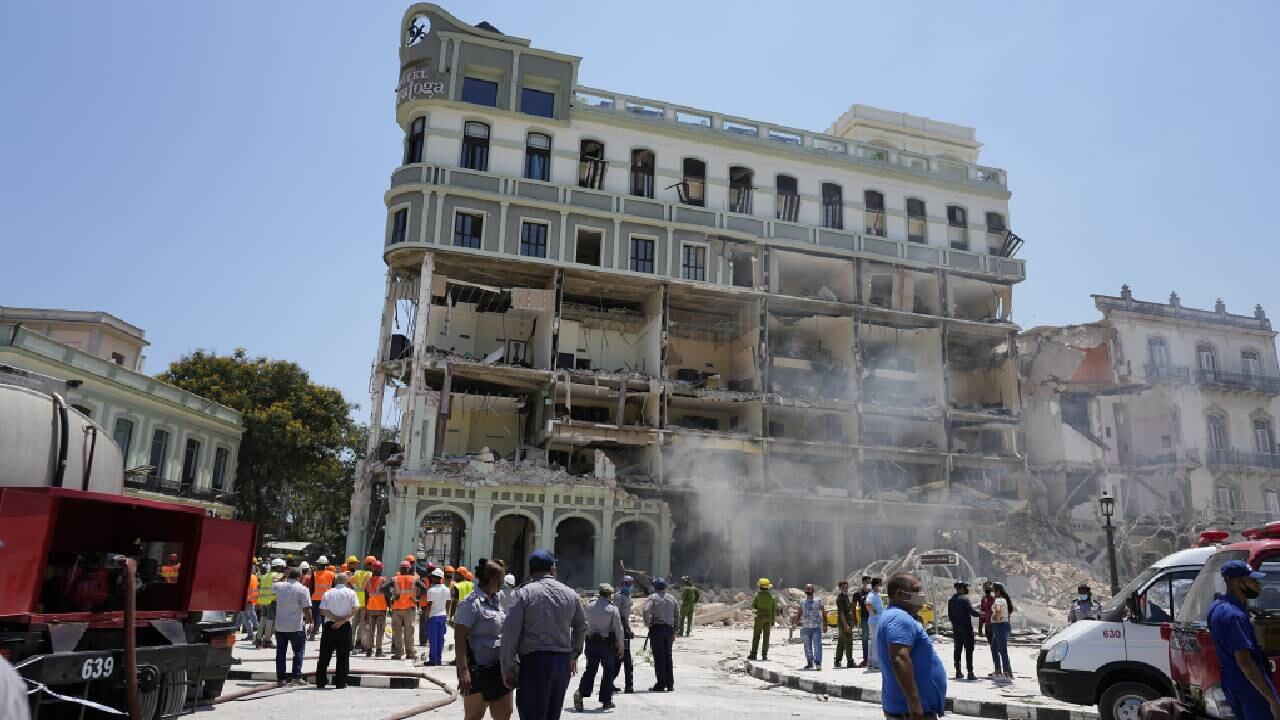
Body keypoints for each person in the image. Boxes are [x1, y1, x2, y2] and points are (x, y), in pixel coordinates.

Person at [500, 549, 586, 720]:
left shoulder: (524, 593)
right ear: (552, 570)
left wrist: (507, 668)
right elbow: (582, 626)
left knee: (532, 714)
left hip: (535, 663)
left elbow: (510, 633)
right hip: (561, 663)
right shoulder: (570, 593)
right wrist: (574, 654)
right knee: (552, 714)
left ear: (530, 571)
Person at [1209, 560, 1280, 720]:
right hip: (1250, 686)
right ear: (1237, 582)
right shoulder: (1234, 615)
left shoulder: (1217, 606)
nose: (1258, 585)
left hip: (1232, 682)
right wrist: (1271, 699)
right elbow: (1245, 663)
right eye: (1253, 580)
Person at [879, 573, 948, 720]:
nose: (921, 595)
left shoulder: (894, 616)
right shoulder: (899, 618)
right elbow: (899, 659)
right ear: (899, 593)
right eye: (916, 590)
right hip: (913, 713)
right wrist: (915, 707)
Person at [456, 559, 513, 720]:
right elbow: (459, 638)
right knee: (474, 716)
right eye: (501, 580)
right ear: (493, 579)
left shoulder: (497, 601)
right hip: (477, 672)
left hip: (499, 670)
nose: (502, 584)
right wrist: (464, 672)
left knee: (505, 714)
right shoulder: (471, 603)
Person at [574, 583, 625, 711]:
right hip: (606, 644)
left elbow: (582, 624)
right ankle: (606, 700)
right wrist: (621, 646)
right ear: (609, 595)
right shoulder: (612, 609)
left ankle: (581, 692)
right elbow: (618, 629)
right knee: (608, 671)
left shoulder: (588, 606)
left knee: (590, 669)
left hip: (591, 642)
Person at [315, 572, 358, 689]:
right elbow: (355, 609)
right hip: (344, 626)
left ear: (335, 581)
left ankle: (320, 681)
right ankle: (341, 682)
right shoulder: (351, 593)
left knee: (324, 655)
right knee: (343, 656)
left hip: (330, 626)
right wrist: (342, 621)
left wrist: (335, 620)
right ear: (346, 582)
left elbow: (323, 611)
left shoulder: (328, 593)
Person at [272, 568, 313, 686]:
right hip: (296, 626)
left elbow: (274, 585)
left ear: (288, 575)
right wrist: (311, 622)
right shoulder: (303, 589)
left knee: (280, 653)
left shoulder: (279, 586)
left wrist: (284, 577)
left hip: (280, 626)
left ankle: (281, 679)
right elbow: (306, 608)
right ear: (300, 576)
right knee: (298, 652)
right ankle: (296, 677)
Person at [385, 560, 428, 660]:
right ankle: (410, 653)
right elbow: (424, 588)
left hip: (397, 608)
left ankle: (398, 653)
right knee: (409, 631)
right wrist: (417, 598)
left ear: (400, 569)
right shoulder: (413, 579)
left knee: (397, 631)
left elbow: (383, 588)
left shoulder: (395, 579)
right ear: (409, 569)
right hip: (409, 608)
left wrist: (392, 597)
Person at [643, 577, 678, 692]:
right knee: (668, 656)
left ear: (655, 587)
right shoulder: (672, 598)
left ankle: (661, 684)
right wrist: (674, 631)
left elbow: (646, 610)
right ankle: (670, 684)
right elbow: (677, 615)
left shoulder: (652, 598)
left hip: (657, 629)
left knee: (659, 657)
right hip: (669, 630)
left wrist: (648, 624)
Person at [607, 575, 636, 694]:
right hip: (619, 630)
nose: (630, 586)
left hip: (625, 629)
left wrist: (629, 629)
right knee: (622, 659)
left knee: (623, 659)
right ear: (622, 584)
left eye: (631, 584)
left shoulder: (628, 597)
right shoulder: (618, 597)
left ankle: (626, 685)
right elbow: (617, 617)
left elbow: (626, 618)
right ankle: (614, 684)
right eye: (627, 584)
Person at [948, 581, 980, 681]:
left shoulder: (951, 600)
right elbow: (972, 612)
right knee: (969, 650)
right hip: (966, 628)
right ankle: (970, 673)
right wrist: (982, 613)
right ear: (961, 588)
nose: (967, 589)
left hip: (956, 629)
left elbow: (950, 616)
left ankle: (958, 671)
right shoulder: (965, 599)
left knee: (957, 649)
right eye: (965, 587)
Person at [255, 558, 286, 649]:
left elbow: (259, 587)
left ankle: (258, 639)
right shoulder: (277, 575)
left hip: (264, 601)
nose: (283, 568)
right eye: (281, 566)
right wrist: (283, 578)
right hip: (273, 601)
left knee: (263, 620)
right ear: (278, 567)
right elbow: (278, 587)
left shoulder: (265, 576)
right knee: (270, 622)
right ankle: (267, 640)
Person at [794, 583, 826, 670]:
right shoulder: (802, 602)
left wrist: (825, 624)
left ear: (813, 590)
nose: (808, 591)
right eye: (806, 589)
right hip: (806, 628)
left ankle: (818, 662)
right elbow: (799, 613)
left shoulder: (818, 601)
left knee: (817, 645)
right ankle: (809, 662)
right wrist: (795, 623)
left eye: (809, 589)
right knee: (807, 646)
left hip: (816, 627)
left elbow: (823, 611)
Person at [425, 567, 452, 665]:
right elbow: (449, 602)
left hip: (433, 616)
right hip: (443, 616)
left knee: (433, 639)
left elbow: (429, 605)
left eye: (433, 577)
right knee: (440, 639)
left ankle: (433, 660)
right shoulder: (446, 589)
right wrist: (447, 613)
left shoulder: (431, 590)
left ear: (437, 578)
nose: (431, 579)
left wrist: (426, 616)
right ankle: (438, 659)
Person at [988, 582, 1014, 681]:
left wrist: (997, 619)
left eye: (994, 590)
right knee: (994, 648)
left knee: (1002, 650)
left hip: (1000, 626)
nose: (993, 592)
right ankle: (998, 671)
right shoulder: (1003, 600)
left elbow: (998, 610)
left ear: (998, 591)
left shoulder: (999, 599)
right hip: (1000, 626)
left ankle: (1006, 673)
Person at [362, 561, 388, 657]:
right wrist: (389, 605)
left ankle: (369, 650)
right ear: (380, 569)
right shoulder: (383, 580)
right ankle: (378, 650)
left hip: (370, 608)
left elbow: (366, 596)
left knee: (371, 630)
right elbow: (387, 595)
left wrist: (365, 608)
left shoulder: (368, 581)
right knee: (380, 630)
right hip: (381, 608)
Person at [747, 577, 776, 661]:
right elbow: (774, 610)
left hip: (759, 617)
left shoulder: (757, 596)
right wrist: (773, 621)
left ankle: (753, 654)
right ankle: (764, 655)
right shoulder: (772, 597)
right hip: (768, 618)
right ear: (768, 587)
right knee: (766, 637)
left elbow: (753, 605)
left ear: (760, 587)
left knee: (756, 636)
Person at [309, 558, 335, 641]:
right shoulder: (332, 574)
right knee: (326, 617)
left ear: (318, 564)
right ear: (326, 565)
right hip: (327, 599)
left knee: (315, 616)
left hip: (316, 598)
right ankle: (325, 634)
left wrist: (310, 596)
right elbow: (334, 587)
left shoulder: (315, 574)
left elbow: (311, 587)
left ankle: (313, 634)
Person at [351, 556, 373, 651]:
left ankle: (350, 643)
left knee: (354, 623)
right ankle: (360, 643)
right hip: (364, 601)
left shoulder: (356, 573)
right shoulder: (370, 574)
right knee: (362, 623)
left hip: (355, 600)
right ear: (371, 565)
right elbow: (369, 589)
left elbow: (350, 583)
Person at [835, 579, 856, 668]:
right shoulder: (840, 598)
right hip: (844, 622)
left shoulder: (845, 597)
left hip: (847, 622)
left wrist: (852, 622)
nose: (846, 589)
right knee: (848, 642)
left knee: (841, 642)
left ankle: (837, 660)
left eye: (847, 587)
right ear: (840, 588)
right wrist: (846, 625)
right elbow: (841, 613)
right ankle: (850, 661)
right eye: (844, 587)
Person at [866, 577, 885, 670]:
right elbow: (868, 605)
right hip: (875, 621)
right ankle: (876, 663)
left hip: (877, 621)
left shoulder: (877, 595)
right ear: (876, 585)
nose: (881, 586)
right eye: (880, 584)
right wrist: (875, 613)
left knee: (873, 641)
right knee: (875, 642)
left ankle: (870, 661)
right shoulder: (871, 595)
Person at [854, 575, 871, 667]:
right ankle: (866, 658)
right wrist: (855, 618)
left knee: (874, 638)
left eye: (870, 582)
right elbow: (853, 606)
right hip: (864, 618)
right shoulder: (858, 594)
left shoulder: (872, 593)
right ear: (863, 583)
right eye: (868, 582)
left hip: (874, 618)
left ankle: (874, 658)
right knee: (865, 638)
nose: (869, 584)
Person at [240, 567, 260, 641]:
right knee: (253, 617)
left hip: (246, 599)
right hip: (252, 599)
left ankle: (250, 634)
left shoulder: (246, 578)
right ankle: (259, 633)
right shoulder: (254, 577)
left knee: (246, 617)